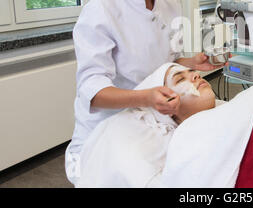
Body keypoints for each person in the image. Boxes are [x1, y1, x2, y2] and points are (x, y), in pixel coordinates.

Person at [64, 0, 221, 185]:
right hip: (109, 133)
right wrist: (147, 97)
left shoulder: (170, 5)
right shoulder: (101, 12)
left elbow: (163, 62)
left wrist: (192, 63)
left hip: (155, 122)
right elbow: (94, 92)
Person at [73, 62, 220, 188]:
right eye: (180, 80)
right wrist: (145, 98)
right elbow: (90, 89)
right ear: (164, 108)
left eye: (193, 72)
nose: (197, 75)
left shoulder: (229, 110)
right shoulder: (137, 154)